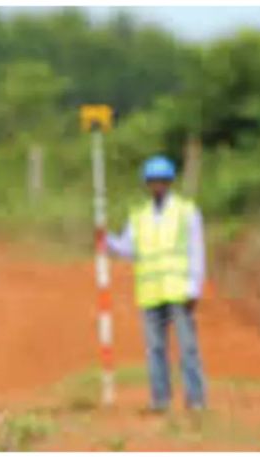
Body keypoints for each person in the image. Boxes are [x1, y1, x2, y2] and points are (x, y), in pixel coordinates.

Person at [107, 155, 206, 412]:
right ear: (146, 184)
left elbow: (196, 251)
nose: (157, 186)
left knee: (188, 349)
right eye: (152, 181)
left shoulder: (186, 211)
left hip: (179, 292)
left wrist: (194, 287)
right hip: (150, 294)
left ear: (170, 182)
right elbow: (129, 249)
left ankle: (195, 400)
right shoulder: (139, 216)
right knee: (154, 350)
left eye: (162, 181)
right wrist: (106, 239)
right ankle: (160, 400)